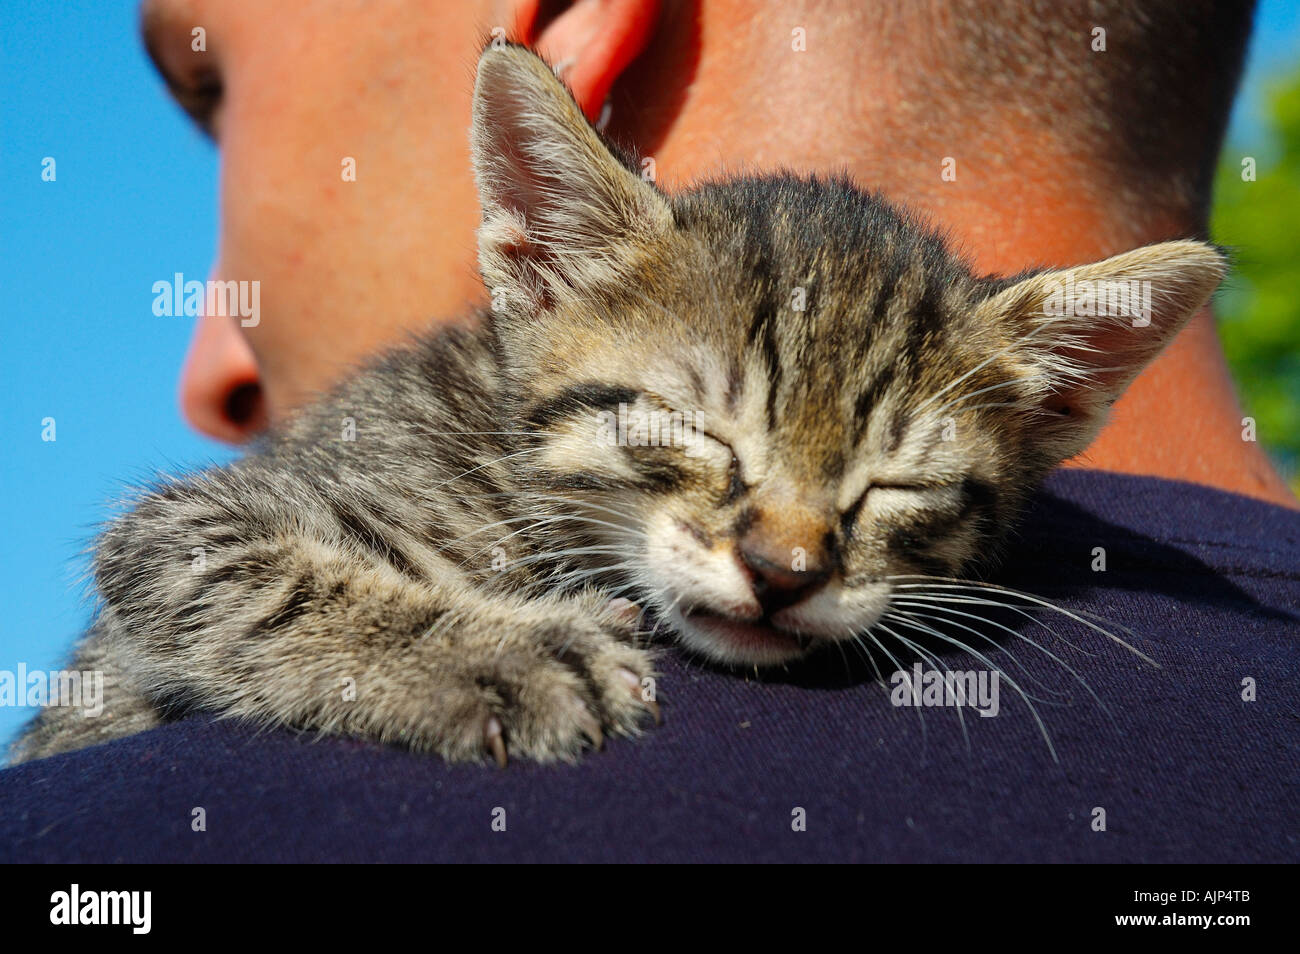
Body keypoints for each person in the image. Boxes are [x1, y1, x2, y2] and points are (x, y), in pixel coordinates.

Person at [1, 0, 1296, 863]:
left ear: (1060, 401)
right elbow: (164, 554)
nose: (787, 554)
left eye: (892, 486)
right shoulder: (457, 431)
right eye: (691, 433)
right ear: (545, 259)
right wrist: (418, 652)